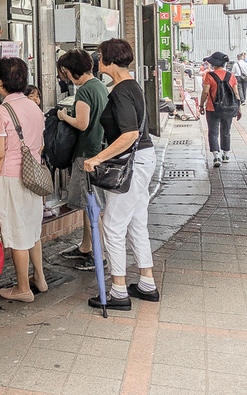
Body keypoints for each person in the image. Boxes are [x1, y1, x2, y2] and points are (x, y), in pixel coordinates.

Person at [83, 38, 159, 311]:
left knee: (113, 226)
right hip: (142, 160)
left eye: (100, 55)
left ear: (109, 60)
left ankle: (118, 290)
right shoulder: (131, 85)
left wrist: (97, 158)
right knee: (137, 222)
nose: (97, 59)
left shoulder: (121, 91)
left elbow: (129, 134)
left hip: (132, 162)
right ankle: (147, 283)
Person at [0, 57, 46, 302]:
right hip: (34, 176)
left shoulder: (2, 112)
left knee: (17, 232)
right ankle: (39, 278)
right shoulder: (34, 107)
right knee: (32, 229)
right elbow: (39, 145)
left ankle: (22, 289)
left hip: (11, 178)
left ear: (3, 81)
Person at [55, 49, 108, 271]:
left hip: (87, 153)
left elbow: (83, 123)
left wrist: (64, 116)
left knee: (92, 206)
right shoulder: (100, 86)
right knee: (89, 205)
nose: (63, 76)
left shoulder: (84, 91)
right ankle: (86, 247)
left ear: (69, 70)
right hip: (99, 150)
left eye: (63, 72)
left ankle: (99, 255)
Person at [200, 51, 242, 167]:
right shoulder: (231, 76)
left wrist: (201, 105)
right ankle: (225, 155)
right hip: (228, 108)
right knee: (226, 131)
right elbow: (236, 93)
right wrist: (238, 109)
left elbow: (205, 92)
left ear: (214, 63)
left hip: (212, 108)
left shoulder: (209, 76)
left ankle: (216, 157)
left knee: (213, 132)